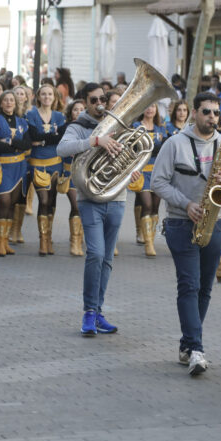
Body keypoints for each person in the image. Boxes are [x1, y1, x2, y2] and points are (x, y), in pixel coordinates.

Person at [151, 92, 221, 375]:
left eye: (216, 113)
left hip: (216, 222)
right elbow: (157, 182)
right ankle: (196, 349)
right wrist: (186, 203)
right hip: (182, 223)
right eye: (206, 112)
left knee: (205, 288)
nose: (212, 118)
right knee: (189, 285)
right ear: (194, 113)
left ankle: (187, 343)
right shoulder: (175, 143)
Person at [57, 82, 138, 336]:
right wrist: (95, 141)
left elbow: (133, 154)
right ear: (85, 102)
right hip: (89, 197)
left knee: (107, 258)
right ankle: (89, 312)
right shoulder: (77, 127)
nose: (100, 103)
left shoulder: (120, 125)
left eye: (103, 98)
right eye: (94, 100)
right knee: (96, 253)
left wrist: (131, 171)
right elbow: (62, 149)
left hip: (116, 198)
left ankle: (98, 311)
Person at [0, 90, 30, 257]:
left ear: (16, 103)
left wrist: (11, 141)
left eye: (12, 100)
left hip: (19, 167)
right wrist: (16, 145)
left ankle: (5, 241)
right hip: (1, 166)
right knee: (3, 201)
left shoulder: (22, 122)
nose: (9, 103)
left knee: (12, 203)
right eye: (6, 100)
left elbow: (27, 144)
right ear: (0, 103)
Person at [27, 83, 66, 255]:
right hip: (37, 163)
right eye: (43, 94)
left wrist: (42, 140)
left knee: (52, 200)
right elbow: (33, 136)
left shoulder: (59, 116)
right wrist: (50, 138)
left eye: (50, 94)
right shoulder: (31, 114)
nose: (47, 97)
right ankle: (42, 240)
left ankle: (49, 238)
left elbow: (61, 137)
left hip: (56, 163)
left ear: (55, 97)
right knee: (43, 200)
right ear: (38, 96)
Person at [132, 102, 166, 257]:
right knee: (147, 204)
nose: (150, 109)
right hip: (141, 171)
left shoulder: (161, 128)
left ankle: (151, 237)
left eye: (153, 106)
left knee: (156, 207)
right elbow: (133, 148)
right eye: (147, 106)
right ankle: (148, 243)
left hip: (158, 172)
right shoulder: (136, 126)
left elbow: (165, 149)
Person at [59, 99, 86, 256]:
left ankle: (79, 238)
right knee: (76, 205)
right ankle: (74, 242)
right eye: (76, 109)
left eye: (82, 109)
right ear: (71, 112)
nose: (79, 112)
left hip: (86, 172)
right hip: (69, 171)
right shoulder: (66, 128)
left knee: (83, 206)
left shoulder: (91, 127)